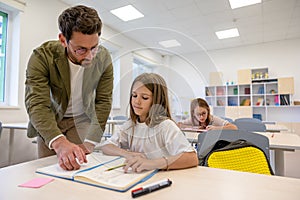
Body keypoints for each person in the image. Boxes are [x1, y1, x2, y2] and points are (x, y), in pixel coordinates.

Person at [25, 5, 113, 171]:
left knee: (81, 169)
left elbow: (103, 101)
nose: (89, 56)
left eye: (93, 48)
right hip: (51, 119)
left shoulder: (103, 58)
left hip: (81, 119)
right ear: (63, 40)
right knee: (49, 171)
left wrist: (91, 140)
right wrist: (58, 142)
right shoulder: (42, 56)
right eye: (81, 49)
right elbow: (37, 103)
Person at [100, 73, 198, 172]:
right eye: (134, 95)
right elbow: (106, 146)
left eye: (145, 98)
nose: (137, 101)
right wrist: (127, 154)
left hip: (161, 178)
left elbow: (192, 158)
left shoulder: (165, 125)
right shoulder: (130, 125)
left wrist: (153, 163)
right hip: (137, 179)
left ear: (157, 101)